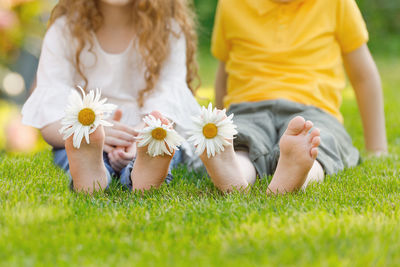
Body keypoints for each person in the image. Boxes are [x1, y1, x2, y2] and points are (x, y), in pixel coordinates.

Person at [202, 0, 387, 194]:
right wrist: (221, 118)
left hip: (313, 111)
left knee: (317, 143)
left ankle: (299, 173)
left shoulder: (337, 3)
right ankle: (233, 173)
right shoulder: (232, 4)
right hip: (248, 108)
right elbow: (225, 71)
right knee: (241, 141)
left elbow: (363, 77)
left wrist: (377, 147)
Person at [21, 0, 201, 193]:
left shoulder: (168, 29)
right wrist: (91, 133)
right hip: (85, 133)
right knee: (73, 147)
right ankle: (91, 172)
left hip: (147, 131)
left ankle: (143, 170)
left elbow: (169, 99)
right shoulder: (64, 31)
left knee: (161, 144)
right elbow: (51, 112)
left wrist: (141, 135)